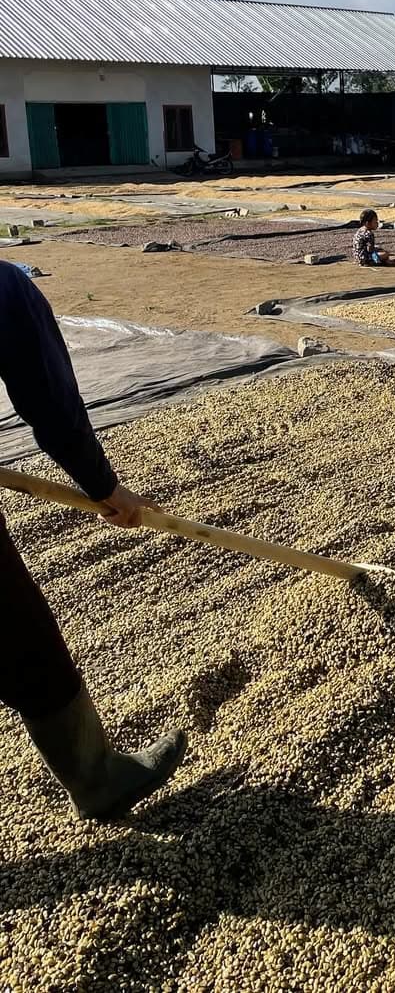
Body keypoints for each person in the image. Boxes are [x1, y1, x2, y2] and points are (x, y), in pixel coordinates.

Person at [0, 261, 187, 820]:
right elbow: (51, 403)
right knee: (22, 640)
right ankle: (98, 776)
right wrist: (106, 487)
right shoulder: (4, 287)